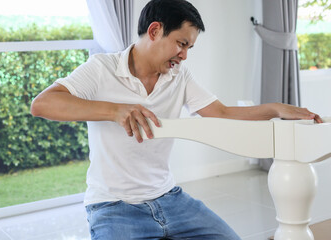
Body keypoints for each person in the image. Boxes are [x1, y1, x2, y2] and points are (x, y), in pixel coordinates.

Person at [31, 0, 322, 239]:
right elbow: (43, 104)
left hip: (171, 198)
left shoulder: (178, 76)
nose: (183, 56)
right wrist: (115, 110)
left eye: (189, 48)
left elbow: (221, 113)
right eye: (181, 44)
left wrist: (276, 108)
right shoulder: (101, 67)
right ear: (155, 30)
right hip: (113, 206)